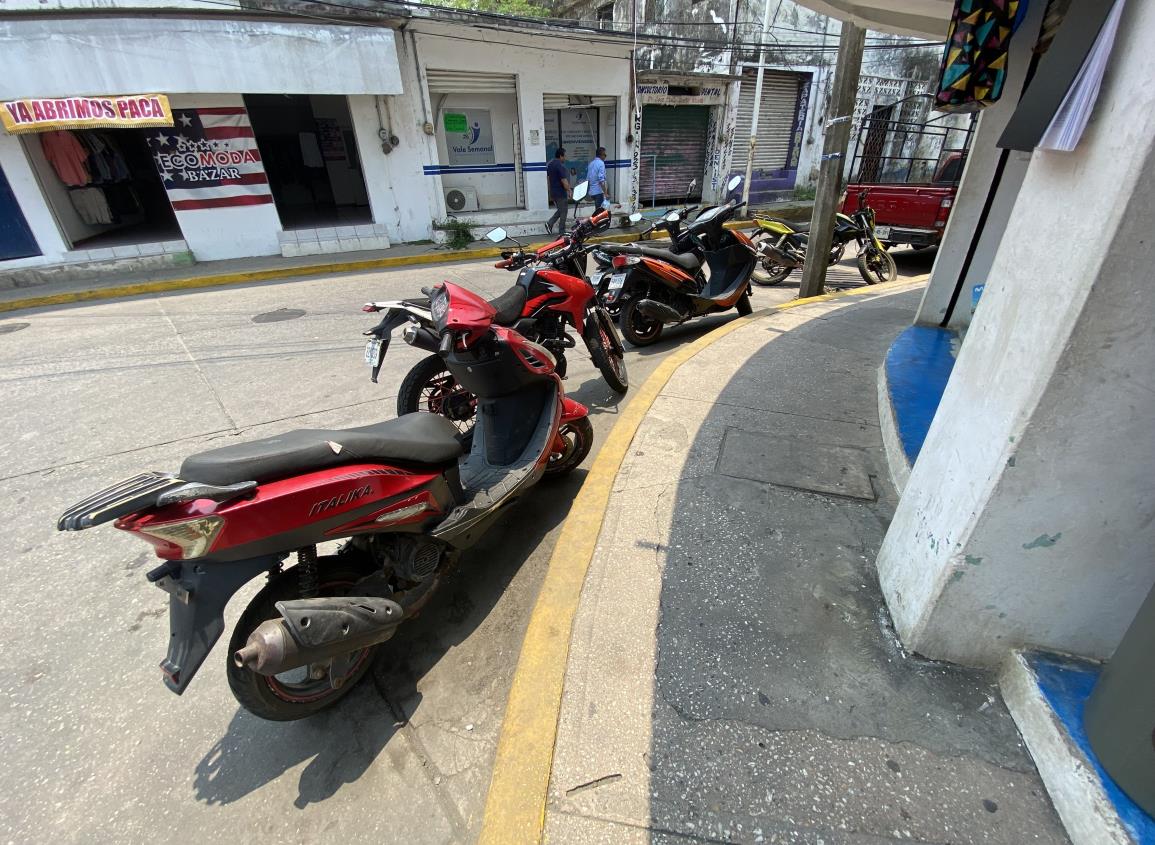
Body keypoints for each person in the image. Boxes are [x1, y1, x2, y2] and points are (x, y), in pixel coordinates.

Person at [545, 147, 572, 234]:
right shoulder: (559, 165)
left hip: (554, 191)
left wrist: (550, 192)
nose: (565, 158)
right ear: (561, 156)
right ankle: (561, 230)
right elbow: (563, 180)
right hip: (560, 192)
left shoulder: (551, 164)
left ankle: (550, 223)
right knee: (564, 211)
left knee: (561, 209)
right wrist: (569, 190)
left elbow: (548, 179)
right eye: (564, 156)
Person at [586, 147, 610, 217]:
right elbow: (601, 180)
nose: (605, 156)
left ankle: (595, 224)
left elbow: (587, 178)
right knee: (599, 213)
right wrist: (606, 193)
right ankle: (596, 226)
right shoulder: (601, 163)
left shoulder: (591, 163)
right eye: (605, 155)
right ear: (601, 155)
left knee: (597, 211)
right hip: (598, 192)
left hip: (592, 192)